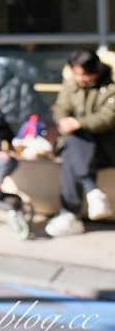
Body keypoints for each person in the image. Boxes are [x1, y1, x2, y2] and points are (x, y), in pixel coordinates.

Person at [46, 50, 115, 237]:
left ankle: (69, 214)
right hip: (80, 146)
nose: (80, 78)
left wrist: (78, 124)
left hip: (108, 148)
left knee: (72, 147)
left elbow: (107, 118)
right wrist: (63, 121)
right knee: (73, 146)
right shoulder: (71, 83)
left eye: (84, 74)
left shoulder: (112, 86)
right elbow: (61, 108)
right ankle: (93, 194)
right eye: (76, 73)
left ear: (98, 69)